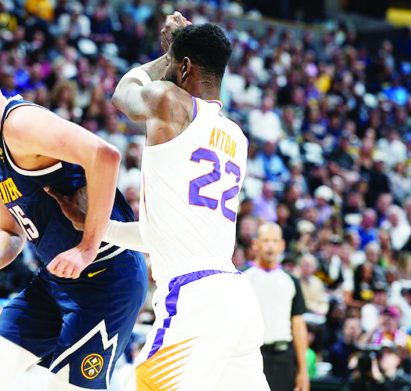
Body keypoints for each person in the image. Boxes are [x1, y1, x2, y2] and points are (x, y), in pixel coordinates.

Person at [48, 17, 268, 390]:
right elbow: (160, 235)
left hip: (194, 297)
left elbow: (124, 93)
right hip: (236, 298)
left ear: (184, 68)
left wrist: (167, 53)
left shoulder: (170, 102)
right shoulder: (237, 136)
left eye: (174, 64)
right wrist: (99, 227)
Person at [0, 54, 147, 391]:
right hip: (54, 280)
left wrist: (87, 247)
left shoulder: (21, 124)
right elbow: (10, 231)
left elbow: (106, 155)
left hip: (107, 279)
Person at [244, 223, 309, 391]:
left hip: (284, 357)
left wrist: (303, 371)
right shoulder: (242, 278)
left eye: (274, 240)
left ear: (282, 245)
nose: (270, 245)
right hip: (252, 356)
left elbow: (298, 326)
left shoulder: (291, 281)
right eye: (265, 240)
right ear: (255, 244)